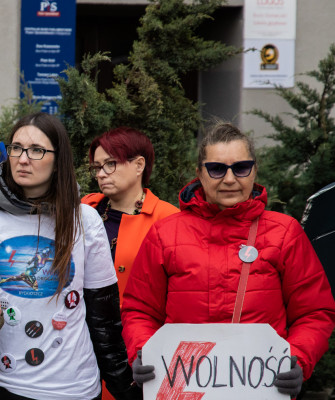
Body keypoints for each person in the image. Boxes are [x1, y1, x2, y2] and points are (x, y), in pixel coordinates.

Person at [121, 122, 335, 398]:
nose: (230, 179)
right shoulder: (165, 233)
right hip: (182, 389)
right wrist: (144, 351)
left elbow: (314, 312)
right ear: (199, 173)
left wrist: (297, 359)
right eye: (217, 169)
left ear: (254, 170)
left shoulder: (285, 233)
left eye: (241, 168)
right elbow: (140, 310)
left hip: (262, 390)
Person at [0, 112, 140, 400]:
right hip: (2, 386)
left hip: (77, 389)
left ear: (58, 162)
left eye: (37, 150)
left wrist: (125, 388)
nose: (23, 159)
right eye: (17, 148)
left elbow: (104, 319)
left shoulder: (84, 219)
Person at [82, 127, 177, 400]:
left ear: (138, 165)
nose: (101, 173)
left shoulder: (169, 220)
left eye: (110, 164)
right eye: (97, 167)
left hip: (140, 352)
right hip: (82, 349)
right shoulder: (84, 211)